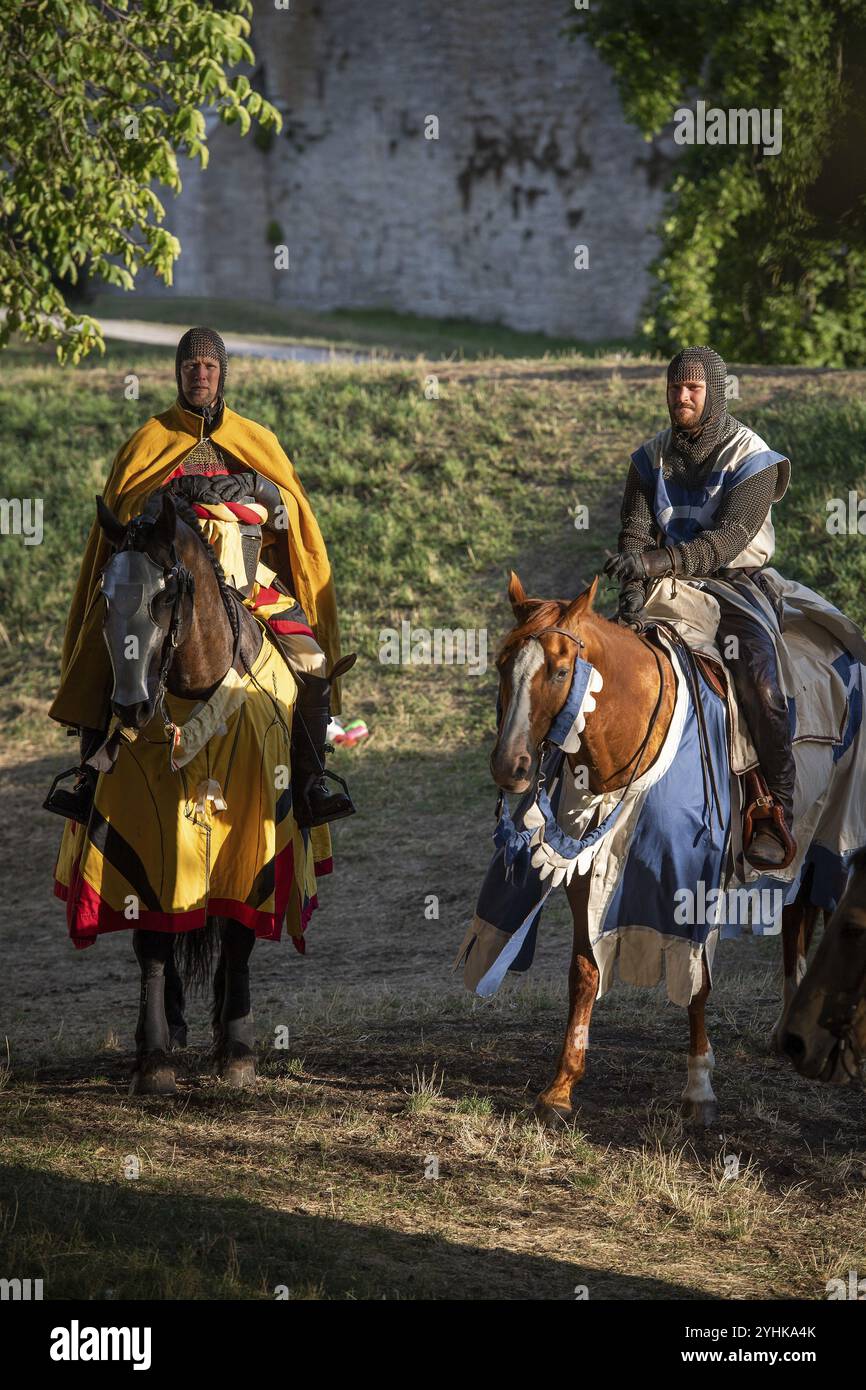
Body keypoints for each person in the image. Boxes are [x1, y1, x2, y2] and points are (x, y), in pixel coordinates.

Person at [47, 326, 355, 829]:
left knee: (313, 661)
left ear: (223, 374)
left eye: (209, 367)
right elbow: (128, 510)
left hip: (250, 583)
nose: (200, 375)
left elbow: (289, 516)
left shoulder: (254, 441)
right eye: (191, 367)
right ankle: (87, 778)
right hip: (166, 583)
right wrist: (176, 492)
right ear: (178, 373)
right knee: (109, 641)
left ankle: (310, 781)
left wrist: (257, 486)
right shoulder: (151, 439)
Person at [604, 345, 794, 868]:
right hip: (661, 589)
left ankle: (774, 807)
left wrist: (657, 561)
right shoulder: (649, 459)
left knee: (759, 681)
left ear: (714, 393)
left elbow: (728, 539)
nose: (681, 396)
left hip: (732, 586)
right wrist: (632, 591)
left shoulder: (751, 456)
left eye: (692, 387)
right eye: (674, 387)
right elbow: (633, 533)